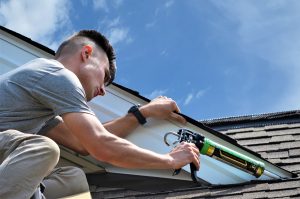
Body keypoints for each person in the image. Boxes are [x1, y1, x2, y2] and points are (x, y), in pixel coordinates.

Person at [0, 30, 200, 199]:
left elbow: (84, 143)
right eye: (104, 75)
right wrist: (170, 160)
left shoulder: (39, 101)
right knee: (44, 148)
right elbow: (101, 146)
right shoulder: (57, 75)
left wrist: (143, 113)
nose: (103, 90)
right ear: (86, 53)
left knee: (73, 181)